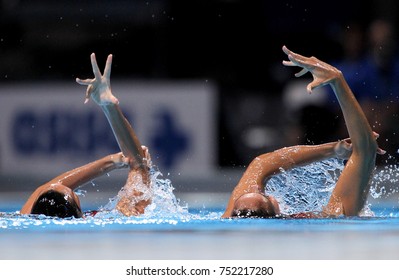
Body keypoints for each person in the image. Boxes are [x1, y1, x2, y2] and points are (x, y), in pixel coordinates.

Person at [222, 46, 385, 218]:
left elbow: (260, 164)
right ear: (275, 208)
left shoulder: (233, 216)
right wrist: (337, 81)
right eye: (261, 193)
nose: (255, 187)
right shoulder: (327, 218)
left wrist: (334, 149)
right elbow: (365, 150)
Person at [20, 53, 152, 218]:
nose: (64, 186)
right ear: (78, 212)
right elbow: (139, 163)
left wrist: (112, 161)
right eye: (72, 193)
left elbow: (47, 188)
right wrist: (109, 107)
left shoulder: (29, 216)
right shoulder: (122, 215)